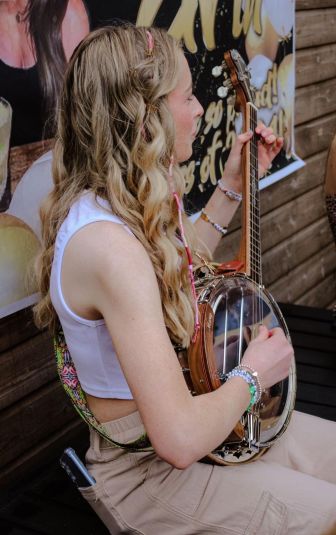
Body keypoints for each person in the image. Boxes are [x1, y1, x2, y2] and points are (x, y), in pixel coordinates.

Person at [34, 26, 336, 534]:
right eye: (188, 95)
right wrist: (255, 373)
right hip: (148, 470)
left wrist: (232, 186)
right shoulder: (108, 248)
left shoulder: (121, 198)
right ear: (144, 115)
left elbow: (175, 267)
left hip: (203, 419)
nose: (199, 109)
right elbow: (175, 440)